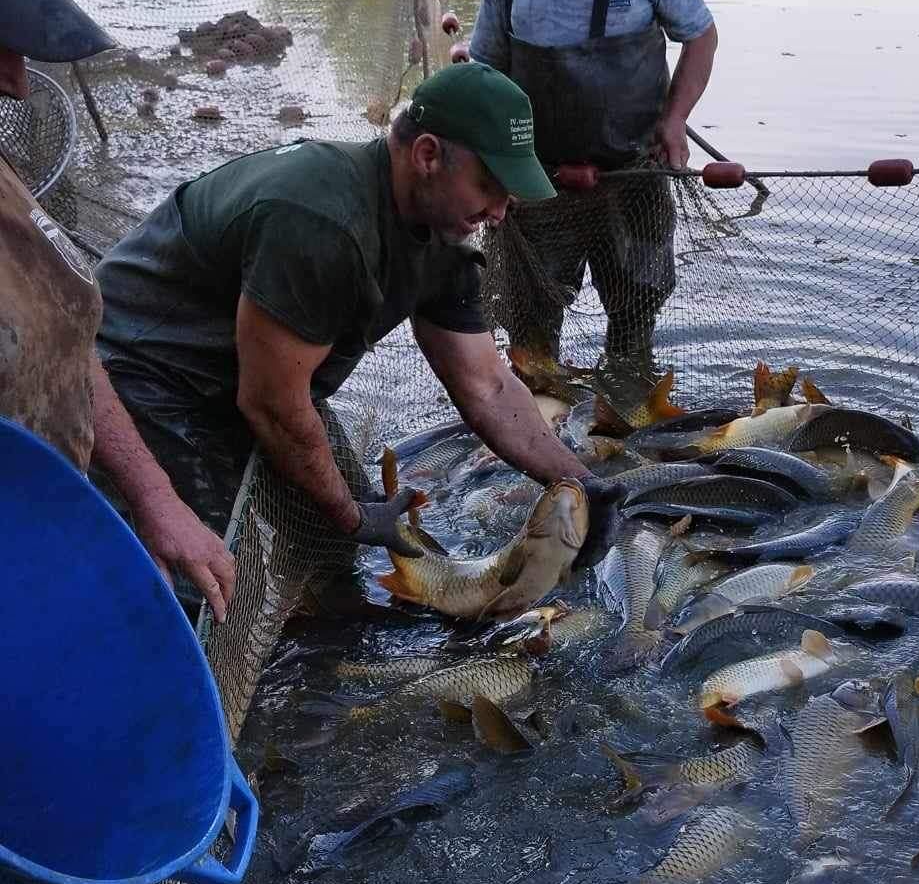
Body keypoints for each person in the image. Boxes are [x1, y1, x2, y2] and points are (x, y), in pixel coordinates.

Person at [95, 61, 619, 576]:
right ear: (428, 154)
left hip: (257, 376)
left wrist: (576, 482)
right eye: (489, 185)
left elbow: (486, 385)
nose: (500, 211)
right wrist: (351, 515)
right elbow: (273, 406)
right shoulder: (322, 221)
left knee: (334, 552)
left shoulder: (446, 237)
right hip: (141, 371)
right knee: (204, 576)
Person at [0, 0, 235, 624]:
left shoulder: (5, 177)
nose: (20, 83)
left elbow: (66, 348)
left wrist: (154, 497)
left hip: (54, 551)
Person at [469, 0, 718, 364]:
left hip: (633, 177)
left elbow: (699, 35)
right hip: (537, 182)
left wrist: (674, 120)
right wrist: (482, 158)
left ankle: (624, 431)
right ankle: (534, 439)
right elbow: (487, 68)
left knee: (633, 328)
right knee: (531, 339)